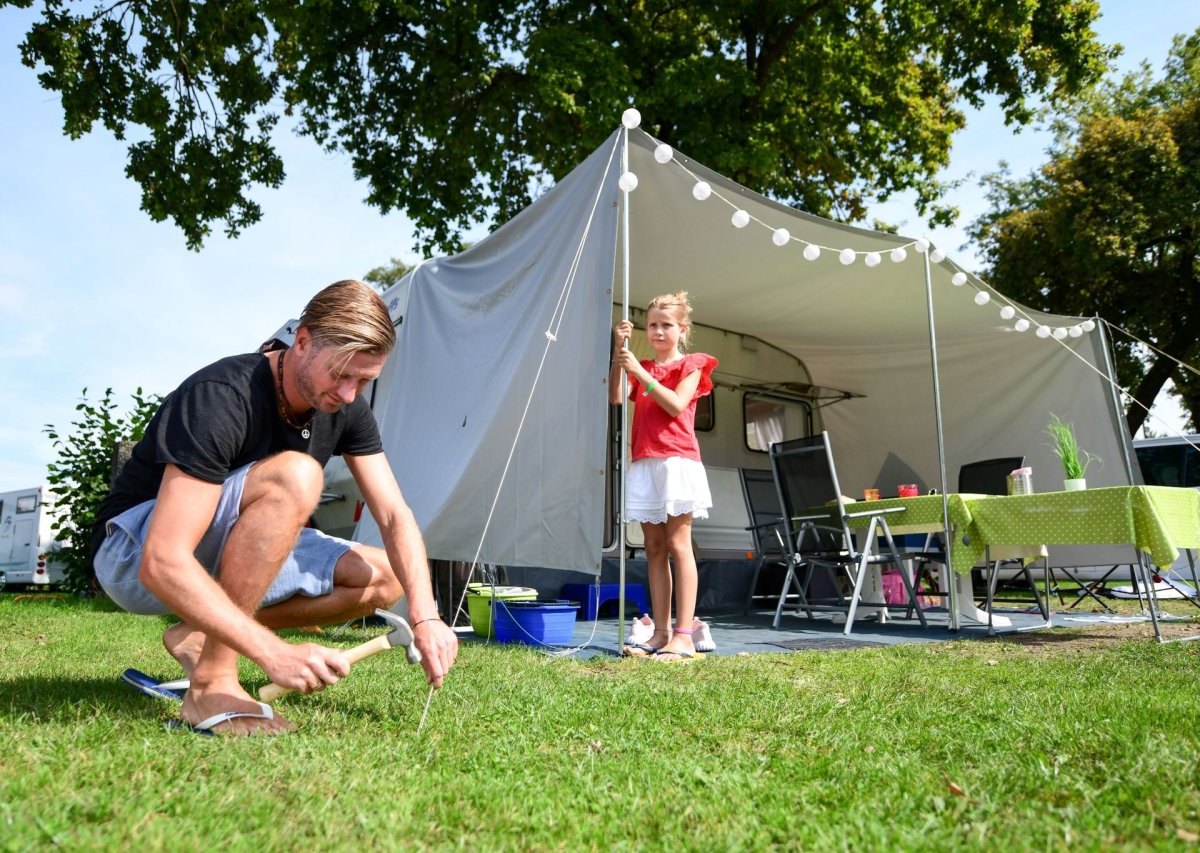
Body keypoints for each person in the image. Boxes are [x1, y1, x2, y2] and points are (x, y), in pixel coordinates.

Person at [91, 279, 458, 735]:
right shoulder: (222, 395)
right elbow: (161, 561)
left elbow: (393, 515)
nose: (349, 393)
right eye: (342, 373)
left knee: (382, 578)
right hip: (132, 554)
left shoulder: (345, 408)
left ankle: (203, 634)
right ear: (302, 341)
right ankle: (211, 684)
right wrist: (273, 652)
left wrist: (425, 614)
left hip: (223, 547)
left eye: (365, 380)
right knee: (298, 475)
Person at [610, 292, 718, 662]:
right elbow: (616, 397)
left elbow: (675, 404)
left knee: (677, 544)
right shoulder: (639, 365)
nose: (657, 331)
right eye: (652, 324)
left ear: (682, 329)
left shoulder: (692, 364)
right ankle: (660, 631)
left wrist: (639, 372)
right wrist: (618, 353)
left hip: (677, 462)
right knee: (653, 548)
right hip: (645, 462)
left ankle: (685, 635)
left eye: (666, 325)